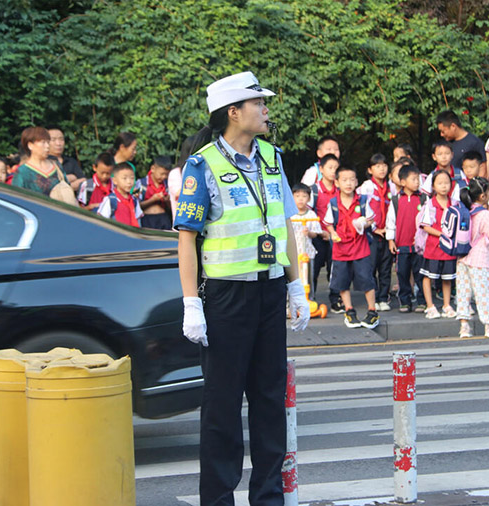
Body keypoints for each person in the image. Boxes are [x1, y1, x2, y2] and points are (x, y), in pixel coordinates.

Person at [173, 71, 309, 506]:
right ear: (234, 112)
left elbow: (285, 225)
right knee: (223, 406)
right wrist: (191, 304)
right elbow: (187, 239)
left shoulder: (272, 157)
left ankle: (268, 497)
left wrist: (296, 287)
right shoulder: (204, 164)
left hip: (269, 294)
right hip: (226, 298)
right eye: (258, 103)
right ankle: (218, 500)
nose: (266, 109)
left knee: (269, 401)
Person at [324, 166, 379, 329]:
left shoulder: (362, 201)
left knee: (366, 279)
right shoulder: (333, 203)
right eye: (344, 180)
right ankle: (349, 311)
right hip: (340, 249)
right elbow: (328, 223)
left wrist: (363, 223)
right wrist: (333, 233)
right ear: (337, 182)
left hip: (360, 247)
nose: (348, 183)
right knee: (342, 281)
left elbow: (371, 220)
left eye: (352, 179)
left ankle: (372, 311)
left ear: (357, 182)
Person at [455, 178, 489, 338]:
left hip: (462, 256)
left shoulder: (464, 210)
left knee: (463, 292)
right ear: (483, 196)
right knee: (483, 291)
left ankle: (464, 327)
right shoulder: (484, 214)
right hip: (479, 258)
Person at [386, 163, 427, 313]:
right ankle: (405, 301)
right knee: (402, 273)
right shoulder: (396, 200)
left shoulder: (423, 198)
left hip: (419, 245)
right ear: (403, 182)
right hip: (402, 244)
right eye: (413, 179)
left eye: (418, 179)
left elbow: (428, 220)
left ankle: (422, 300)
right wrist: (391, 239)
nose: (417, 182)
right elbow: (390, 221)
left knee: (420, 273)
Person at [419, 170, 458, 319]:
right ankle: (430, 306)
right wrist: (442, 234)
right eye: (440, 183)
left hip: (448, 249)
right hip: (433, 247)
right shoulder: (429, 204)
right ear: (433, 186)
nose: (444, 186)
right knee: (429, 276)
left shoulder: (454, 204)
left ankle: (447, 305)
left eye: (446, 183)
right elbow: (425, 226)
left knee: (447, 278)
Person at [357, 153, 394, 311]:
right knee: (372, 267)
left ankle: (383, 298)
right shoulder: (366, 186)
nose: (382, 169)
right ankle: (374, 297)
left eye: (384, 166)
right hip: (372, 233)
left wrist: (389, 229)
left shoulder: (391, 186)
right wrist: (374, 228)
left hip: (388, 232)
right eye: (377, 166)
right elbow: (364, 209)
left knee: (386, 268)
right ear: (370, 169)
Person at [309, 153, 343, 311]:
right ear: (321, 169)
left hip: (336, 237)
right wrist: (320, 231)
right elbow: (308, 214)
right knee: (313, 269)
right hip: (317, 236)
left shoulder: (341, 190)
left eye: (336, 168)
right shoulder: (314, 190)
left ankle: (336, 300)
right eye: (330, 168)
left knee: (335, 269)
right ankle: (310, 299)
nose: (333, 171)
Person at [11, 126, 70, 197]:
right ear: (30, 145)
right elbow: (16, 198)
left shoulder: (57, 166)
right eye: (43, 142)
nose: (47, 146)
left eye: (48, 142)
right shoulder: (22, 172)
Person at [290, 183, 324, 292]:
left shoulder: (311, 215)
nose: (301, 199)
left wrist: (308, 233)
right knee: (292, 278)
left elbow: (315, 233)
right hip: (292, 251)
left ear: (309, 199)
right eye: (297, 196)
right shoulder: (289, 214)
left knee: (308, 277)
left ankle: (310, 298)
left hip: (307, 251)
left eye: (304, 196)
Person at [436, 110, 486, 176]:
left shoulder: (474, 143)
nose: (441, 134)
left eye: (443, 131)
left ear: (453, 126)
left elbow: (483, 169)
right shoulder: (446, 145)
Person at [96, 162, 143, 227]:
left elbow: (138, 222)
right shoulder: (111, 200)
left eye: (132, 178)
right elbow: (101, 222)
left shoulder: (134, 200)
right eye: (124, 178)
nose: (129, 182)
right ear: (115, 181)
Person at [138, 156, 173, 229]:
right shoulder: (142, 184)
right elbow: (137, 206)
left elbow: (170, 208)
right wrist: (152, 200)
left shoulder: (167, 185)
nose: (163, 177)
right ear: (153, 169)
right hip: (147, 219)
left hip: (164, 218)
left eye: (166, 174)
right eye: (161, 174)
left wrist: (167, 201)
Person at [47, 126, 84, 191]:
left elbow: (83, 180)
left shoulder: (71, 161)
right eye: (53, 140)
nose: (58, 143)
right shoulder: (44, 161)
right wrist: (72, 177)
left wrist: (64, 189)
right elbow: (48, 184)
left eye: (61, 139)